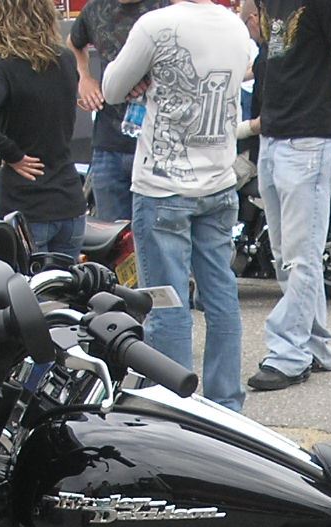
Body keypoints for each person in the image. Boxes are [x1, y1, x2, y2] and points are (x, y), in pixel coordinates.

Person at [104, 0, 257, 409]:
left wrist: (146, 79)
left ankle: (174, 405)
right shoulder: (235, 27)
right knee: (221, 296)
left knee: (167, 303)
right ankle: (227, 404)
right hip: (219, 181)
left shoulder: (156, 25)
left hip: (163, 186)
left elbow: (111, 88)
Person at [244, 0, 331, 392]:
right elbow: (261, 39)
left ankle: (289, 353)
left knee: (300, 253)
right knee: (286, 254)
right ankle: (315, 344)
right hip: (274, 135)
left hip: (307, 139)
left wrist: (319, 100)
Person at [0, 0, 86, 260]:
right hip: (70, 201)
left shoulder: (1, 66)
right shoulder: (65, 59)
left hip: (26, 205)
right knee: (67, 294)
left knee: (29, 295)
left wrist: (13, 155)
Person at [70, 0, 164, 223]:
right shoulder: (96, 8)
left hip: (158, 146)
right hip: (108, 145)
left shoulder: (166, 7)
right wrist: (84, 78)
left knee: (156, 240)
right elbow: (74, 42)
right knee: (114, 242)